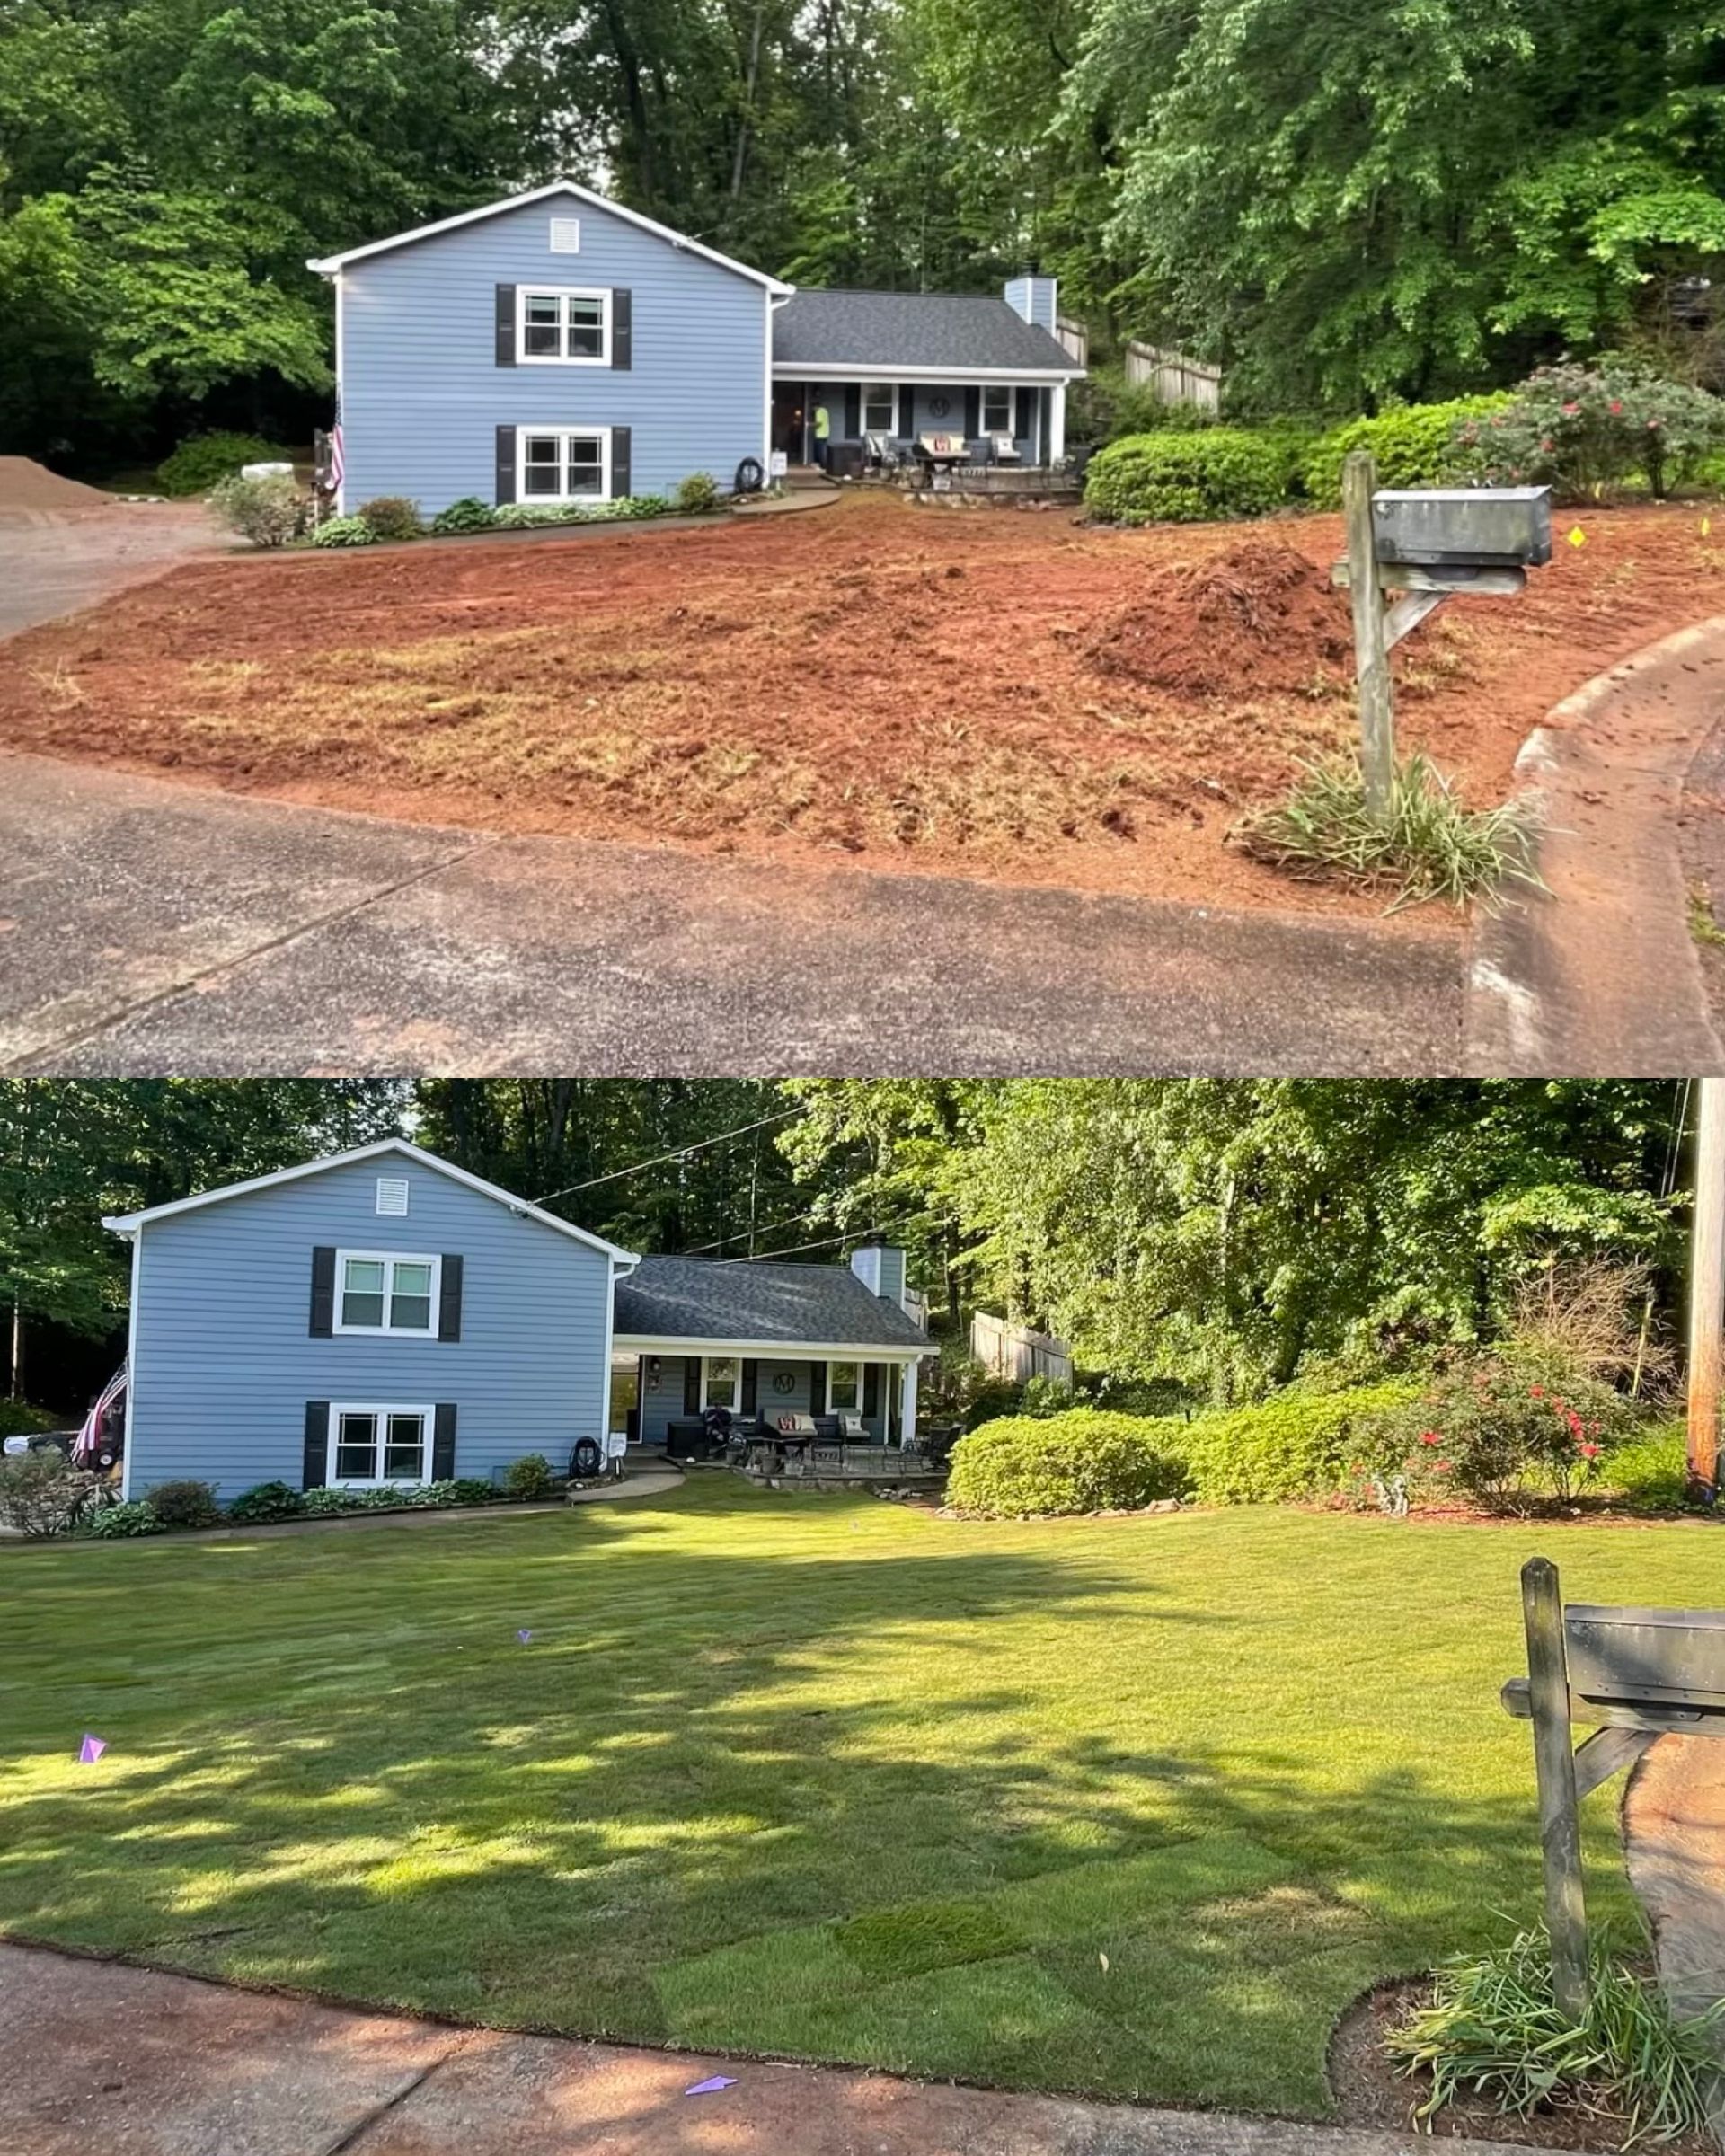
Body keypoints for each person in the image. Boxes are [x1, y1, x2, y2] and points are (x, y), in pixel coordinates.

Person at [813, 402, 831, 470]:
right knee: (822, 450)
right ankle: (821, 464)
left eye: (814, 409)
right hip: (826, 433)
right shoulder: (825, 411)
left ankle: (822, 466)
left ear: (816, 407)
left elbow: (819, 423)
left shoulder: (819, 412)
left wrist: (809, 424)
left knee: (820, 451)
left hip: (820, 434)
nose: (814, 410)